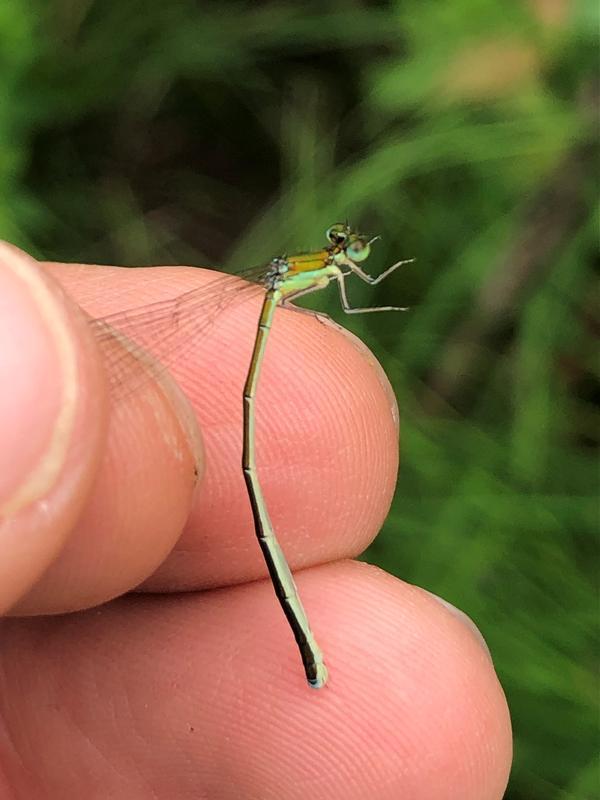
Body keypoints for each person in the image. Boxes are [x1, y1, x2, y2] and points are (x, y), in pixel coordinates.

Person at [0, 242, 512, 798]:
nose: (351, 254)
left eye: (350, 251)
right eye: (348, 250)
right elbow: (353, 303)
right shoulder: (320, 273)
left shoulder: (319, 268)